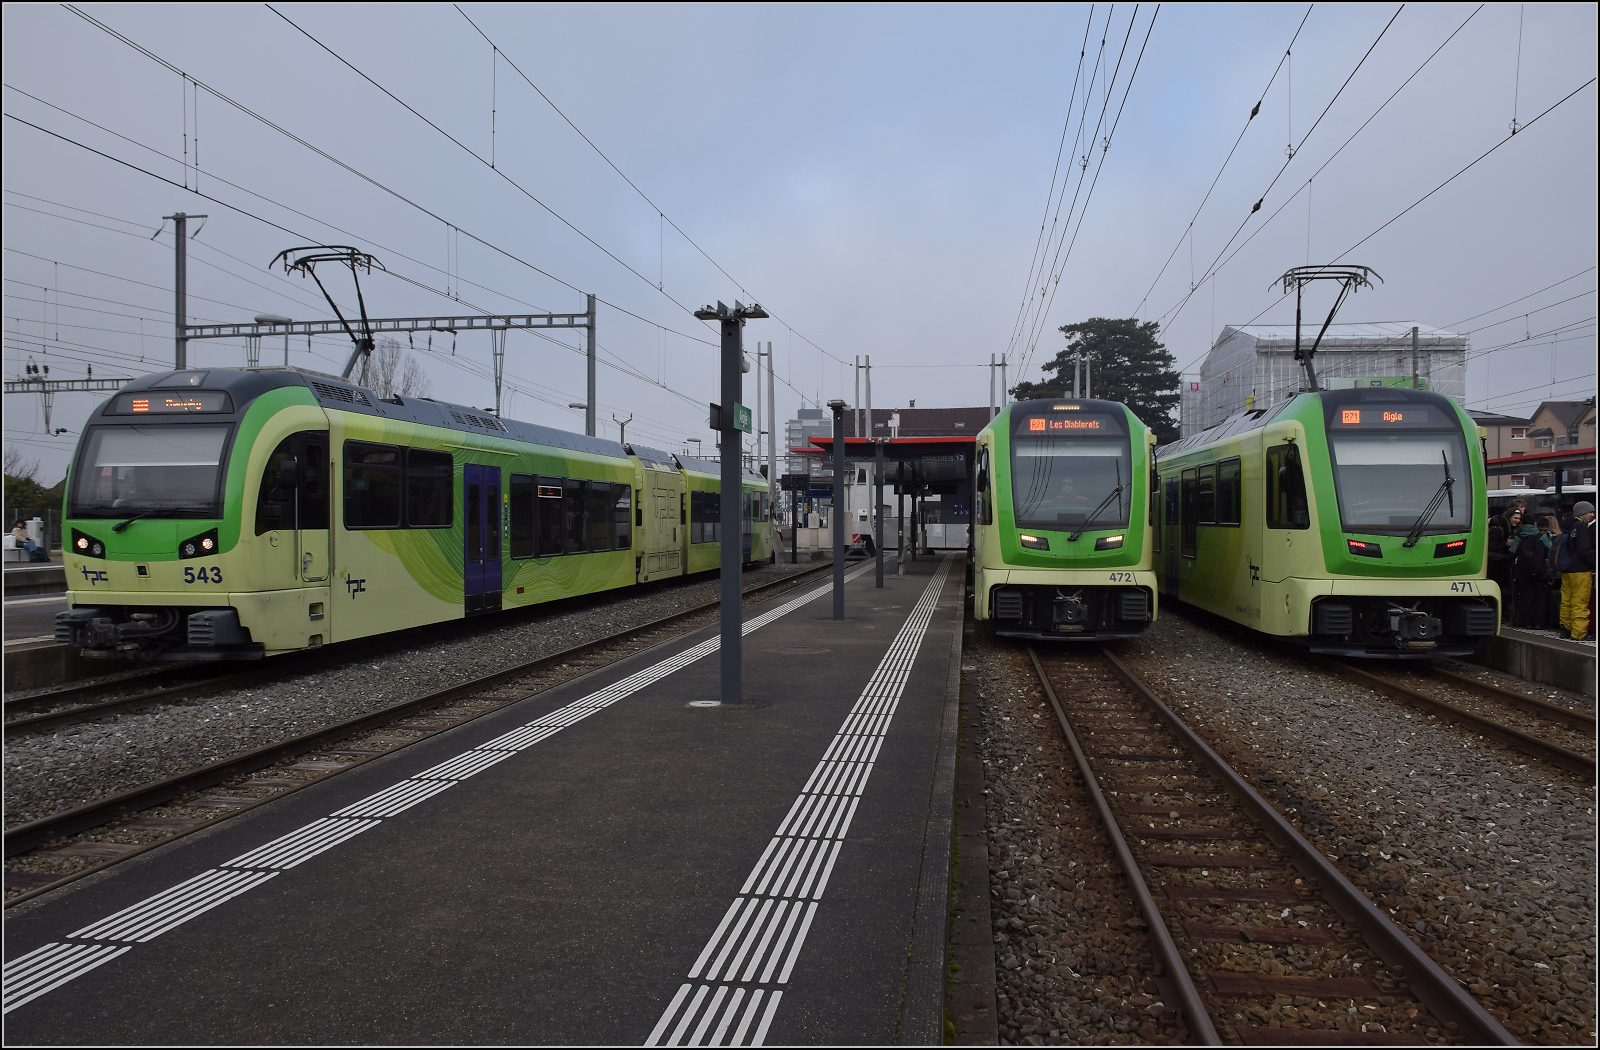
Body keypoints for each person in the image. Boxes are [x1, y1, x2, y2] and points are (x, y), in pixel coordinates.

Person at [1559, 501, 1595, 641]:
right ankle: (1579, 633)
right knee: (1579, 601)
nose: (1592, 514)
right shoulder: (1582, 527)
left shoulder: (1568, 526)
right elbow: (1584, 550)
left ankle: (1565, 629)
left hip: (1567, 569)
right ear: (1581, 513)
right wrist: (1594, 565)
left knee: (1566, 600)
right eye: (1589, 512)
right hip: (1580, 570)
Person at [1511, 515, 1553, 629]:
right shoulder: (1541, 536)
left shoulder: (1519, 537)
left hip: (1523, 572)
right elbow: (1549, 550)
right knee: (1539, 597)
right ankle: (1539, 623)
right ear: (1534, 523)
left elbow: (1512, 552)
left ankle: (1528, 622)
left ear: (1522, 524)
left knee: (1526, 596)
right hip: (1539, 571)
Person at [1487, 504, 1522, 625]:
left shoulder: (1511, 529)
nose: (1517, 521)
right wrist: (1506, 545)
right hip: (1496, 566)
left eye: (1519, 518)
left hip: (1504, 565)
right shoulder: (1497, 530)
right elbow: (1492, 548)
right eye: (1515, 518)